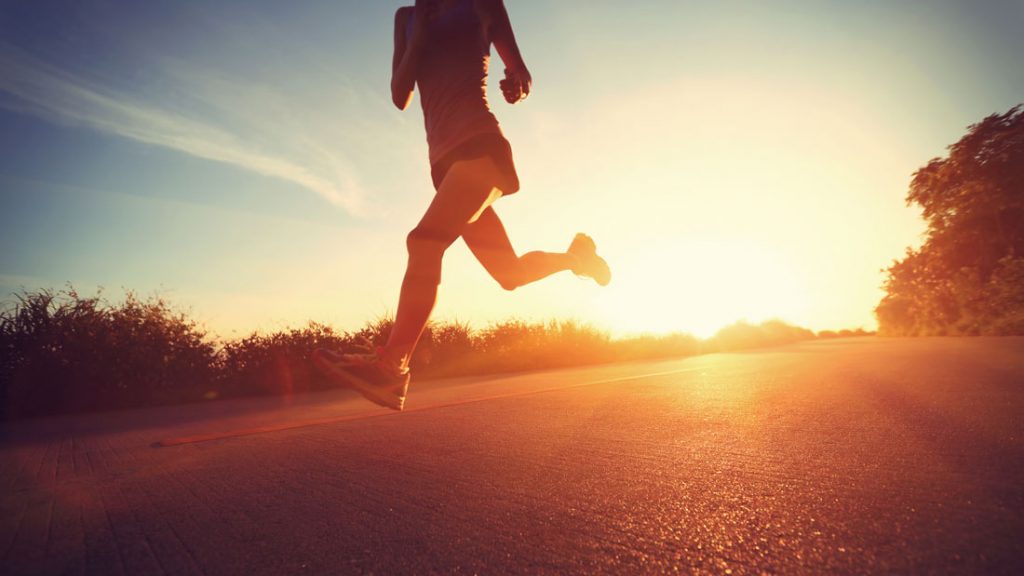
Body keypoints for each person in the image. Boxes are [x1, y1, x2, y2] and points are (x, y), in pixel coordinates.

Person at [314, 0, 610, 410]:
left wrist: (516, 83)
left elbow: (520, 72)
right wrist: (418, 36)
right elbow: (399, 94)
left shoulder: (484, 4)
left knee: (424, 241)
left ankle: (391, 367)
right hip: (445, 166)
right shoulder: (406, 18)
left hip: (480, 146)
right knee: (510, 274)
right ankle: (578, 259)